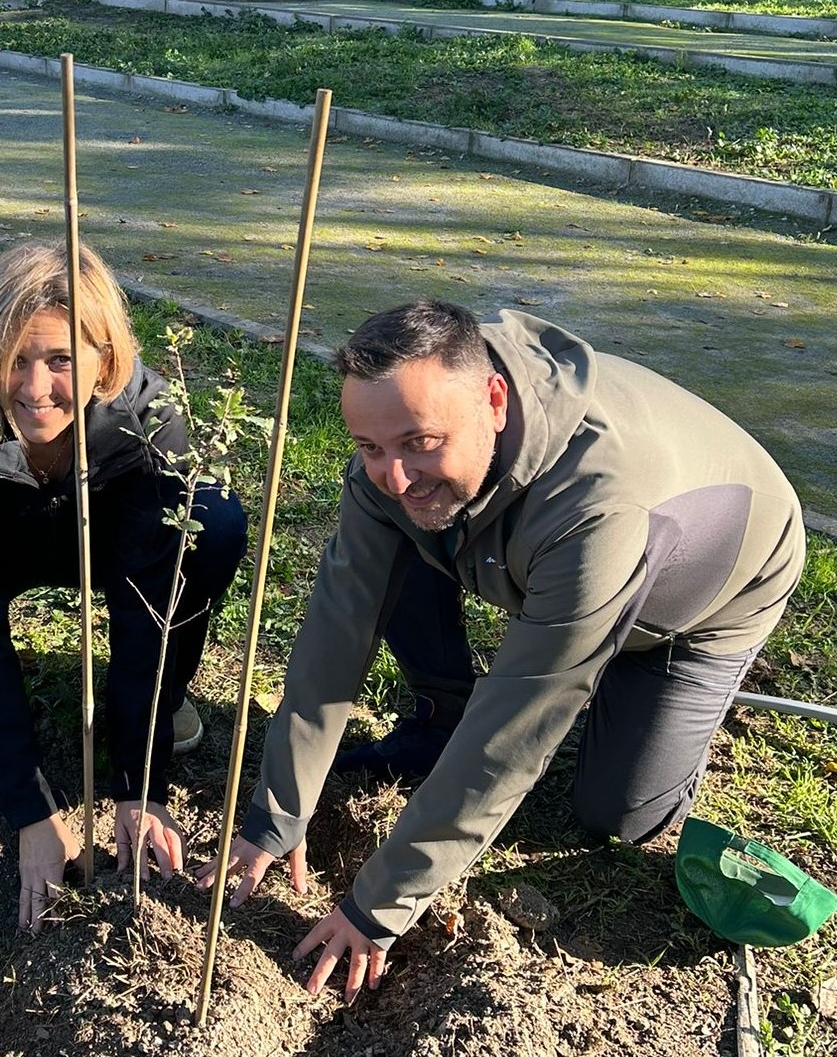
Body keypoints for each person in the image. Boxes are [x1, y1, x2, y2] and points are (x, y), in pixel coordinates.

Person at [200, 300, 804, 1001]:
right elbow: (338, 626)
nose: (394, 474)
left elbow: (514, 730)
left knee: (618, 815)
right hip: (546, 557)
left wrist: (379, 905)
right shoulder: (406, 434)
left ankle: (623, 674)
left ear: (494, 400)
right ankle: (442, 714)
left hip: (705, 600)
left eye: (419, 442)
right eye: (369, 447)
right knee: (409, 523)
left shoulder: (597, 504)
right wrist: (277, 814)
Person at [0, 241, 247, 929]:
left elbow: (150, 607)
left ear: (103, 360)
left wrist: (140, 781)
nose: (34, 389)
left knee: (214, 522)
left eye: (60, 360)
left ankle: (164, 699)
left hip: (110, 547)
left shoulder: (151, 426)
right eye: (14, 359)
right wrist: (29, 809)